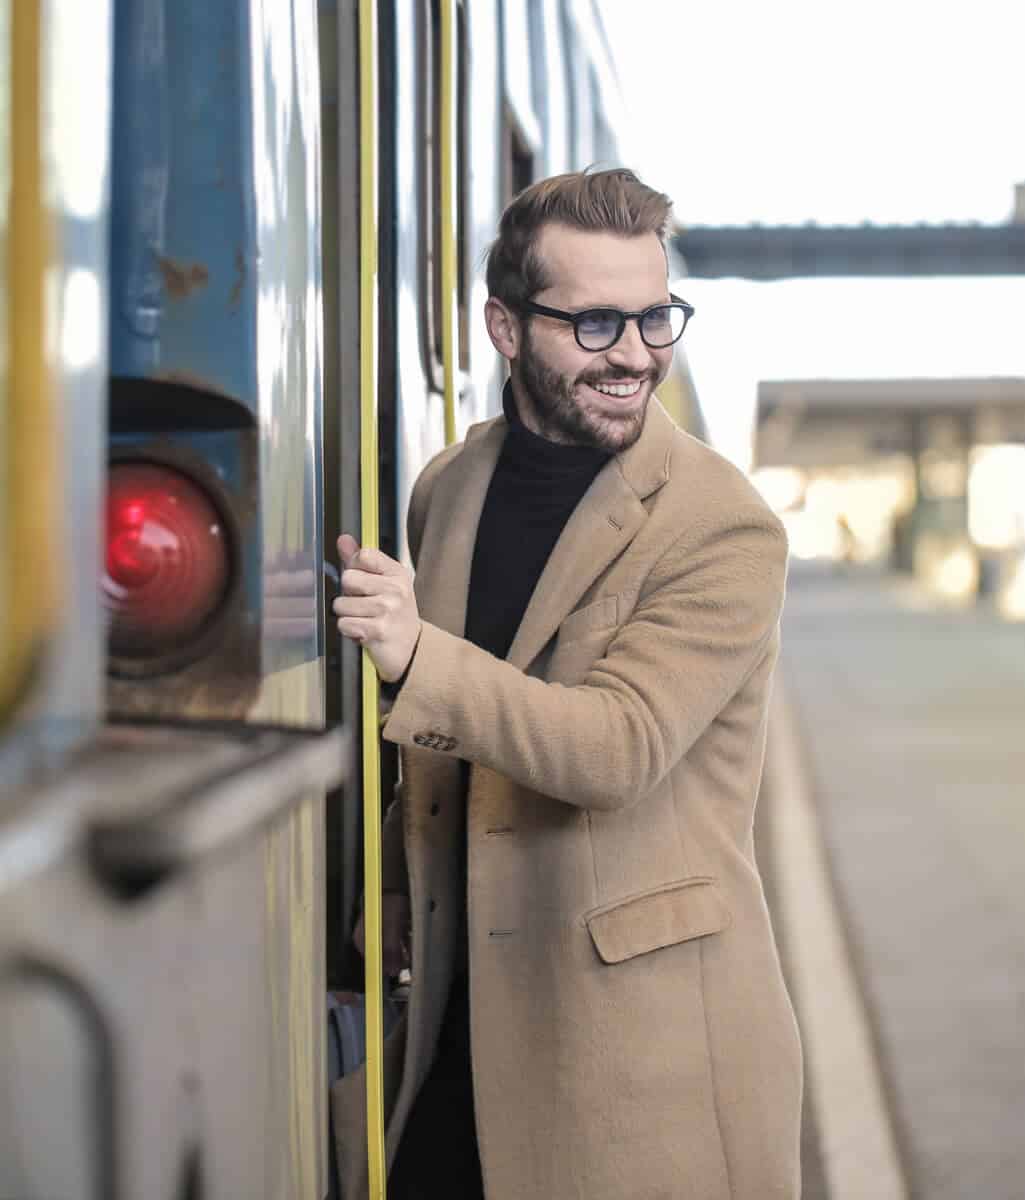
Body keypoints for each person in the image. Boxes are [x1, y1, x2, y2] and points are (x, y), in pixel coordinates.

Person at [334, 168, 802, 1200]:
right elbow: (456, 735)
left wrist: (415, 655)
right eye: (595, 324)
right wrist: (399, 878)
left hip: (640, 1060)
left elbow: (614, 747)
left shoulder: (722, 525)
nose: (637, 354)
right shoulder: (448, 489)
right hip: (464, 1024)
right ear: (505, 328)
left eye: (654, 316)